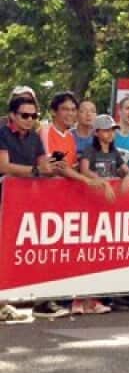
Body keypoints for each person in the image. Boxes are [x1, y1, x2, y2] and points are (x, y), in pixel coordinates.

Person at [0, 95, 71, 320]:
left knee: (31, 249)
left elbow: (42, 164)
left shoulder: (34, 138)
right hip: (4, 197)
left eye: (33, 115)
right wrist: (35, 171)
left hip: (29, 200)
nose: (30, 119)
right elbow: (4, 165)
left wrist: (53, 166)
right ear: (12, 115)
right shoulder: (2, 133)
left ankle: (39, 302)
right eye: (25, 115)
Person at [79, 114, 129, 184]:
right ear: (96, 132)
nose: (111, 134)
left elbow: (127, 170)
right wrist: (102, 180)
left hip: (111, 191)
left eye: (113, 130)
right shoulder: (90, 149)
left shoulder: (114, 151)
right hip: (94, 191)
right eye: (106, 130)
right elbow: (84, 171)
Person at [40, 91, 82, 167]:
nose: (70, 113)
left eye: (73, 110)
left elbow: (73, 166)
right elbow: (55, 167)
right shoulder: (45, 131)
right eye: (65, 109)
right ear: (53, 112)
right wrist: (87, 179)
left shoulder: (70, 136)